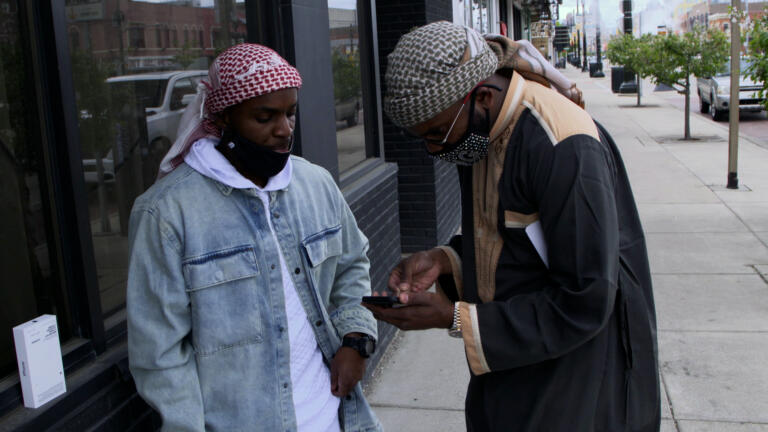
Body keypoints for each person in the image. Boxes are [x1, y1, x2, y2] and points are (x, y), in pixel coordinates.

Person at [364, 21, 661, 431]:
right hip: (514, 361)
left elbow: (587, 297)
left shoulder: (564, 146)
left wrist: (454, 317)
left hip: (576, 369)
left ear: (483, 95)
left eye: (436, 133)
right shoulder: (476, 130)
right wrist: (445, 261)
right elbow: (510, 242)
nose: (433, 149)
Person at [127, 44, 381, 432]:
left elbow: (352, 264)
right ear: (223, 118)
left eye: (290, 113)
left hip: (336, 418)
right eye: (265, 117)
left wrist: (356, 338)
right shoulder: (166, 214)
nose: (284, 130)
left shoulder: (316, 184)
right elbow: (159, 354)